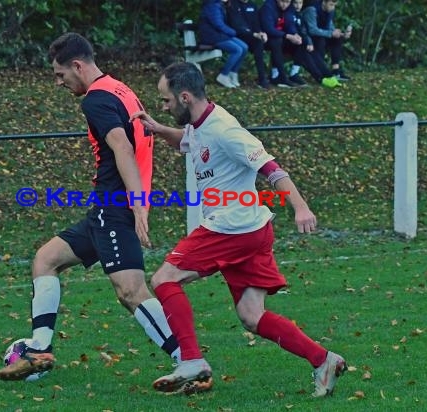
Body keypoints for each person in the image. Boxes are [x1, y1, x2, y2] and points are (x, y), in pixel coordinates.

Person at [130, 62, 347, 396]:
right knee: (251, 315)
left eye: (166, 100)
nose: (164, 105)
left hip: (232, 227)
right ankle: (324, 360)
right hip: (250, 229)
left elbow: (271, 168)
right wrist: (159, 128)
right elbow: (187, 143)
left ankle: (191, 360)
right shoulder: (200, 124)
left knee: (164, 278)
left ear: (184, 96)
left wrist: (300, 206)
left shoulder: (224, 129)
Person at [0, 32, 181, 381]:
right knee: (46, 259)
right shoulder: (119, 88)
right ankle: (39, 349)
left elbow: (123, 147)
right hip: (105, 208)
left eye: (60, 74)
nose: (59, 82)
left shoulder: (95, 99)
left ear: (77, 66)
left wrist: (138, 204)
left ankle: (186, 358)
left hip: (115, 208)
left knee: (131, 292)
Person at [198, 0, 248, 88]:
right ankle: (223, 75)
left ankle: (232, 73)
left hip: (219, 35)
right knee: (237, 50)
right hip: (211, 36)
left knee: (244, 47)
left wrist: (231, 32)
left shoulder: (219, 4)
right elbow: (218, 24)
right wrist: (232, 32)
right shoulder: (211, 5)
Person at [291, 0, 342, 87]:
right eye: (295, 3)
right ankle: (319, 77)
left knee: (314, 50)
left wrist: (340, 33)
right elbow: (308, 30)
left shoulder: (299, 14)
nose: (298, 6)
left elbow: (303, 30)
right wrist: (308, 41)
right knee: (307, 49)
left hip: (303, 40)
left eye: (300, 3)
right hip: (293, 41)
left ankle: (328, 74)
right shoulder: (310, 10)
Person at [226, 0, 271, 89]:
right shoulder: (233, 4)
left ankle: (262, 79)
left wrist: (261, 33)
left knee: (259, 44)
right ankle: (232, 73)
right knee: (242, 46)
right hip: (237, 36)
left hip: (252, 37)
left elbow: (256, 24)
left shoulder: (252, 5)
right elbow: (236, 26)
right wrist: (254, 34)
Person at [302, 0, 352, 81]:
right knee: (321, 40)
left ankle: (336, 71)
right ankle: (320, 72)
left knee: (337, 38)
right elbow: (312, 30)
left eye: (334, 5)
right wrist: (331, 33)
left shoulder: (330, 11)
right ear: (324, 2)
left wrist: (342, 34)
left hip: (321, 35)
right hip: (309, 38)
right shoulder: (312, 9)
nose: (333, 7)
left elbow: (330, 27)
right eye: (331, 4)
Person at [259, 0, 304, 87]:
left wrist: (295, 34)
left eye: (287, 2)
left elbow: (290, 23)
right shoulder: (268, 7)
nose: (285, 5)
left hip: (281, 36)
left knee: (301, 41)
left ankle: (294, 73)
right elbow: (269, 29)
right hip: (265, 37)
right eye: (283, 1)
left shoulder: (289, 7)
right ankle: (281, 76)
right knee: (277, 42)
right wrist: (288, 36)